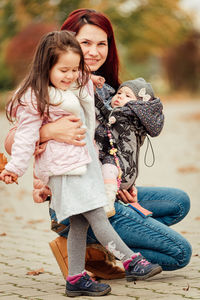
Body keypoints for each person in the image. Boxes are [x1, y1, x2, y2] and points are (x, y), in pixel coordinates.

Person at [4, 8, 192, 281]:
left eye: (101, 43)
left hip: (106, 189)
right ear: (67, 45)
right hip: (78, 196)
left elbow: (116, 144)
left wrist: (123, 181)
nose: (93, 51)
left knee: (179, 202)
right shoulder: (55, 90)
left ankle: (94, 250)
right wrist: (47, 131)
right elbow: (15, 139)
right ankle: (99, 246)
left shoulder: (106, 89)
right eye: (85, 43)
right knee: (180, 253)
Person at [95, 77, 164, 216]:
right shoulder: (108, 110)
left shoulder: (133, 117)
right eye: (119, 93)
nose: (120, 97)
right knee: (105, 167)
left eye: (127, 96)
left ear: (138, 104)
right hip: (109, 168)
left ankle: (107, 203)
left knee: (109, 168)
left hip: (120, 167)